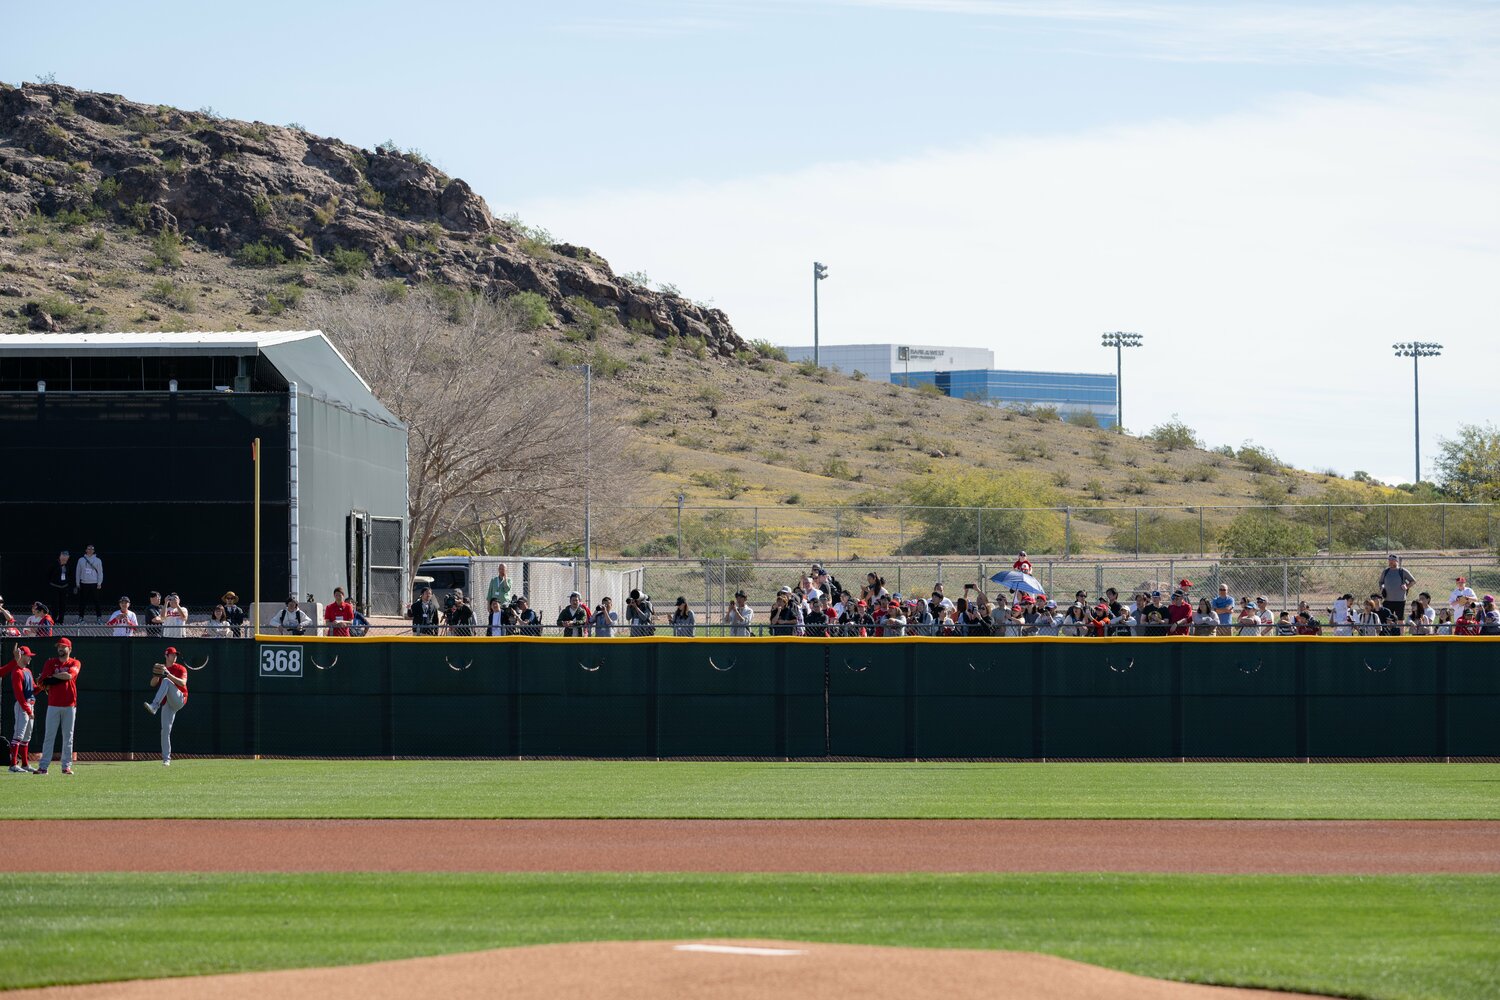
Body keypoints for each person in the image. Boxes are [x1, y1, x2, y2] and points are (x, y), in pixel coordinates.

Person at [35, 637, 81, 775]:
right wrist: (53, 678)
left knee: (68, 736)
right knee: (49, 735)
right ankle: (43, 767)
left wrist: (53, 678)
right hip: (53, 703)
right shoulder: (50, 662)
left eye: (63, 646)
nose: (60, 649)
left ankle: (66, 766)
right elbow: (43, 680)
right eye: (59, 647)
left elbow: (69, 676)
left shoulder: (75, 662)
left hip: (69, 704)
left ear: (69, 649)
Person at [142, 646, 188, 766]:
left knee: (167, 681)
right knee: (165, 730)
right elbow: (152, 684)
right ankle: (166, 760)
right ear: (166, 656)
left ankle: (154, 706)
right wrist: (157, 675)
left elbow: (183, 683)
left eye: (176, 655)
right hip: (168, 703)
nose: (175, 657)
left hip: (179, 698)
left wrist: (168, 675)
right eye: (172, 654)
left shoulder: (180, 668)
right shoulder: (162, 668)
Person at [2, 645, 36, 772]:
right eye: (28, 655)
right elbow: (19, 694)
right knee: (18, 735)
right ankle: (13, 765)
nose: (30, 658)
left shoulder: (28, 671)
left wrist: (43, 686)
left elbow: (33, 690)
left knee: (27, 737)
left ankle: (25, 764)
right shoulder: (17, 672)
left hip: (30, 704)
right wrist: (27, 710)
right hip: (23, 706)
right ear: (22, 656)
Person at [1378, 555, 1415, 625]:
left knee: (1400, 619)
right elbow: (1380, 582)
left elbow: (1413, 581)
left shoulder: (1402, 571)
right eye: (1389, 560)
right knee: (1387, 619)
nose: (1390, 562)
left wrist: (1406, 586)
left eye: (1392, 560)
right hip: (1387, 600)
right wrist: (1382, 587)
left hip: (1400, 600)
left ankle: (1401, 635)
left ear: (1397, 561)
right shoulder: (1385, 572)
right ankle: (1389, 635)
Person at [75, 544, 104, 622]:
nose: (90, 550)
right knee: (82, 602)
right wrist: (77, 583)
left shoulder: (98, 560)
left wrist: (99, 583)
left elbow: (100, 573)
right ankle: (81, 618)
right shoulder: (81, 560)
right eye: (89, 549)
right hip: (84, 583)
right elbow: (78, 572)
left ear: (94, 551)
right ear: (86, 550)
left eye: (92, 549)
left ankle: (99, 618)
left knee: (97, 601)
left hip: (94, 584)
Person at [46, 550, 71, 624]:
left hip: (64, 587)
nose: (64, 558)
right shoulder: (54, 564)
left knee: (63, 604)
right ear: (60, 556)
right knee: (55, 605)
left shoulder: (68, 565)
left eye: (66, 556)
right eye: (63, 556)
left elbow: (70, 575)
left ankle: (61, 621)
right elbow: (48, 574)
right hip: (55, 587)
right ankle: (54, 620)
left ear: (68, 557)